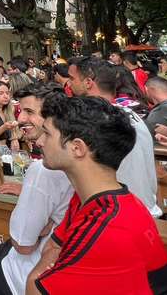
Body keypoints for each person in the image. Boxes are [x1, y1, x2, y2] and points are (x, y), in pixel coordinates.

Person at [25, 95, 167, 295]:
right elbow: (51, 247)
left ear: (77, 148)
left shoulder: (107, 226)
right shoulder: (96, 198)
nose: (39, 141)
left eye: (47, 134)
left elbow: (35, 287)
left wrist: (36, 274)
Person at [0, 84, 74, 295]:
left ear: (53, 117)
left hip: (20, 277)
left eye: (29, 112)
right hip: (51, 271)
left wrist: (42, 224)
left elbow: (23, 244)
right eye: (21, 111)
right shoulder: (82, 159)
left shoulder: (45, 168)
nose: (21, 119)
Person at [68, 56, 161, 217]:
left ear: (88, 82)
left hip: (121, 216)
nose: (69, 84)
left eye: (72, 78)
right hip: (143, 210)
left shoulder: (96, 120)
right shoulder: (129, 114)